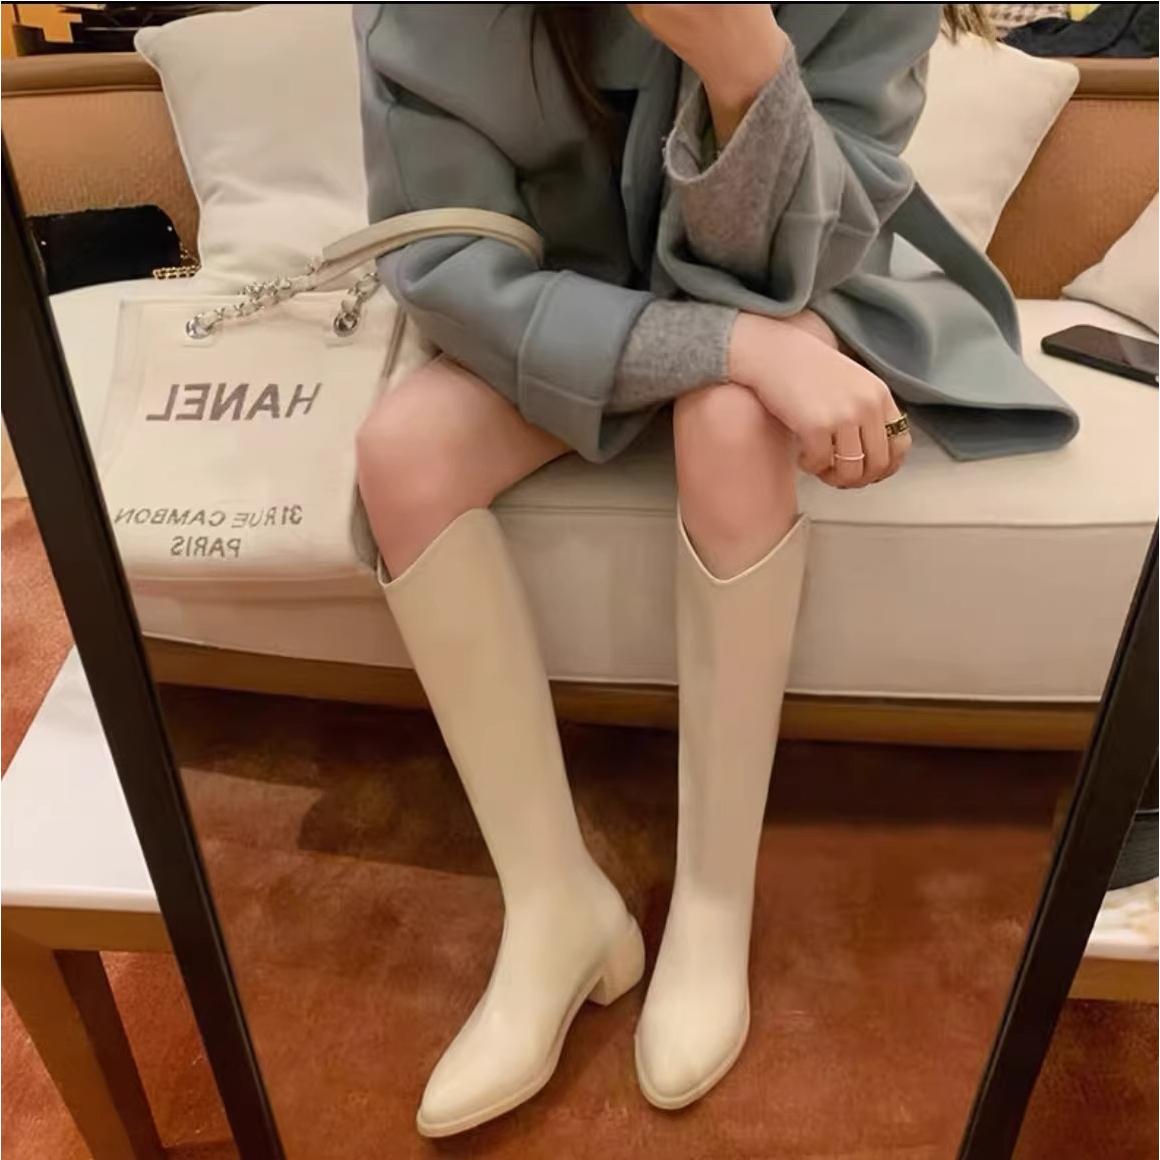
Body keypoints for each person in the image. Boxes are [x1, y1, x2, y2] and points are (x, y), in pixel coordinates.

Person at [353, 2, 1074, 1137]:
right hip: (565, 309)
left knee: (731, 427)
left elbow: (787, 268)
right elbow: (449, 273)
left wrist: (740, 61)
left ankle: (710, 900)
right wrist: (728, 346)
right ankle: (552, 903)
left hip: (795, 279)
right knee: (402, 452)